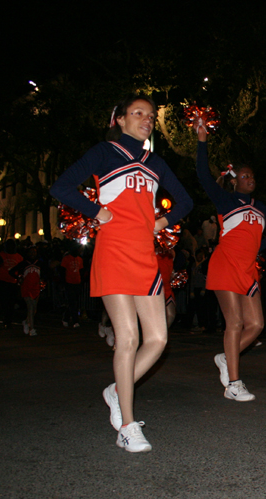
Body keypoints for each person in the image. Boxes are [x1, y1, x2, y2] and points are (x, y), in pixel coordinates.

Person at [50, 94, 193, 452]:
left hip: (145, 256)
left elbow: (186, 202)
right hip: (113, 252)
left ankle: (117, 389)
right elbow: (61, 187)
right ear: (120, 119)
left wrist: (160, 222)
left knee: (158, 339)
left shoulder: (154, 161)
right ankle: (128, 426)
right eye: (138, 113)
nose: (147, 119)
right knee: (127, 337)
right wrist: (96, 211)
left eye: (151, 115)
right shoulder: (105, 152)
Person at [196, 124, 266, 401]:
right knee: (234, 324)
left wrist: (258, 248)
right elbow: (202, 175)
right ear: (235, 180)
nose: (250, 179)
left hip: (248, 269)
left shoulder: (259, 206)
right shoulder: (226, 200)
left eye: (252, 176)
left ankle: (225, 357)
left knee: (256, 325)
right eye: (245, 176)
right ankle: (233, 384)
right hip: (225, 264)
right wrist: (202, 141)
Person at [9, 245, 41, 336]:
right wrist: (19, 278)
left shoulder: (39, 263)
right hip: (26, 288)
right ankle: (32, 329)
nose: (32, 254)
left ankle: (26, 322)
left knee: (34, 309)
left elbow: (45, 273)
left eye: (34, 252)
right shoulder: (23, 263)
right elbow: (11, 271)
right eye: (31, 252)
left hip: (36, 288)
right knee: (30, 307)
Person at [0, 239, 23, 329]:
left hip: (13, 282)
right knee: (4, 301)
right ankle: (4, 316)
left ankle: (9, 319)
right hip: (2, 281)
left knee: (11, 302)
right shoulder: (0, 255)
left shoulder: (19, 257)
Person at [60, 244, 84, 328]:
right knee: (72, 302)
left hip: (77, 282)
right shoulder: (66, 259)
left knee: (73, 302)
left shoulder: (80, 259)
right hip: (69, 283)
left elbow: (81, 271)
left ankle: (66, 318)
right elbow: (62, 271)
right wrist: (64, 283)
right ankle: (75, 320)